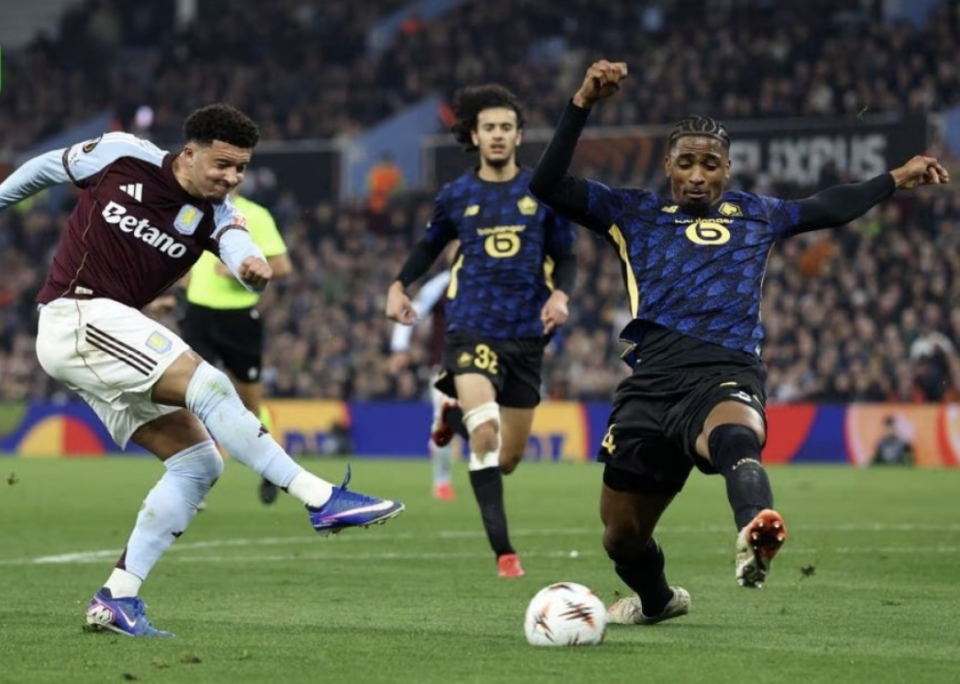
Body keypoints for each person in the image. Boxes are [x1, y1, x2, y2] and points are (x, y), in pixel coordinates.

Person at [529, 60, 948, 623]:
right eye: (686, 163)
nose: (697, 175)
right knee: (620, 536)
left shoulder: (758, 213)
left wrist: (894, 177)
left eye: (710, 164)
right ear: (668, 166)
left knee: (733, 434)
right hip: (651, 383)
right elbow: (545, 185)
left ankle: (755, 525)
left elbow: (828, 205)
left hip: (725, 368)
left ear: (727, 169)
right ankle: (659, 602)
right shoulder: (632, 212)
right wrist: (581, 104)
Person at [0, 103, 404, 637]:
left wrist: (249, 267)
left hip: (103, 333)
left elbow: (239, 245)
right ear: (189, 154)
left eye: (241, 168)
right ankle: (320, 498)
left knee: (198, 463)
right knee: (209, 383)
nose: (231, 177)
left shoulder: (219, 215)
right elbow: (46, 168)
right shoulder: (124, 155)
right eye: (223, 164)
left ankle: (117, 597)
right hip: (76, 313)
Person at [386, 84, 577, 578]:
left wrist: (561, 295)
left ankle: (453, 416)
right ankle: (505, 553)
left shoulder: (542, 192)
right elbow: (429, 247)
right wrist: (399, 284)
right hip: (472, 328)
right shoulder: (456, 195)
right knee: (486, 436)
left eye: (506, 127)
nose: (497, 135)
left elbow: (567, 256)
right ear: (474, 135)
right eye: (488, 127)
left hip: (527, 336)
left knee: (508, 458)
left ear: (519, 135)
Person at [179, 190, 292, 505]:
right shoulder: (192, 208)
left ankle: (270, 468)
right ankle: (192, 482)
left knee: (249, 406)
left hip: (238, 318)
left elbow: (282, 266)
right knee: (190, 398)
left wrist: (238, 271)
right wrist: (173, 288)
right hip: (198, 315)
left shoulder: (256, 215)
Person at [388, 269, 459, 500]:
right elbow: (412, 309)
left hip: (484, 366)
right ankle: (442, 481)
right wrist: (400, 347)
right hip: (444, 367)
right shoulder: (443, 283)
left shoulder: (491, 277)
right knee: (446, 422)